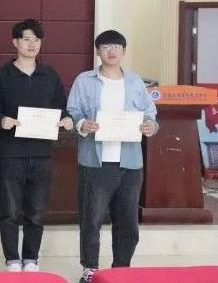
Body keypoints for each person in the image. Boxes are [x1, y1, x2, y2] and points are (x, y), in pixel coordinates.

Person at [67, 30, 158, 283]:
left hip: (130, 163)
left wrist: (151, 125)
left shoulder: (135, 82)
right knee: (91, 220)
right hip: (95, 162)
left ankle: (121, 269)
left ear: (124, 52)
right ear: (98, 51)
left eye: (117, 46)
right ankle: (90, 269)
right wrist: (82, 123)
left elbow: (150, 113)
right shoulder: (84, 80)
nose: (111, 51)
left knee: (127, 222)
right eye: (106, 46)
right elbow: (73, 110)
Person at [0, 18, 74, 272]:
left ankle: (31, 259)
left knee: (36, 212)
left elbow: (61, 107)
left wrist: (66, 119)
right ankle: (12, 259)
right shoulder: (1, 76)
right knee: (10, 211)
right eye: (26, 39)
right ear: (15, 42)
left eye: (36, 39)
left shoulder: (50, 75)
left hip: (42, 153)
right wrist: (1, 120)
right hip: (10, 153)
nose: (32, 44)